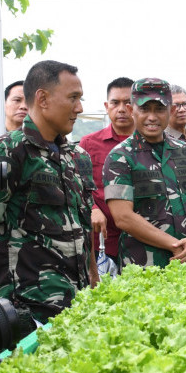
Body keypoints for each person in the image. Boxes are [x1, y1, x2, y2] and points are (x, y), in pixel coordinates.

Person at [0, 60, 97, 324]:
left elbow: (85, 228)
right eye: (73, 98)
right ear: (42, 98)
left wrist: (94, 281)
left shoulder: (78, 157)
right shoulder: (9, 152)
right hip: (25, 310)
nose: (80, 107)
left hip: (77, 304)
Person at [103, 78, 186, 269]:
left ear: (171, 111)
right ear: (131, 110)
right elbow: (123, 217)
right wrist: (176, 245)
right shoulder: (120, 157)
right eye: (144, 109)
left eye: (159, 109)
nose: (152, 117)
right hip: (143, 266)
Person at [79, 76, 135, 264]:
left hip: (143, 240)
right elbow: (77, 186)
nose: (121, 109)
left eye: (128, 103)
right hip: (102, 241)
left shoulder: (150, 143)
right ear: (106, 106)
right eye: (115, 102)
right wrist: (93, 208)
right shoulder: (88, 143)